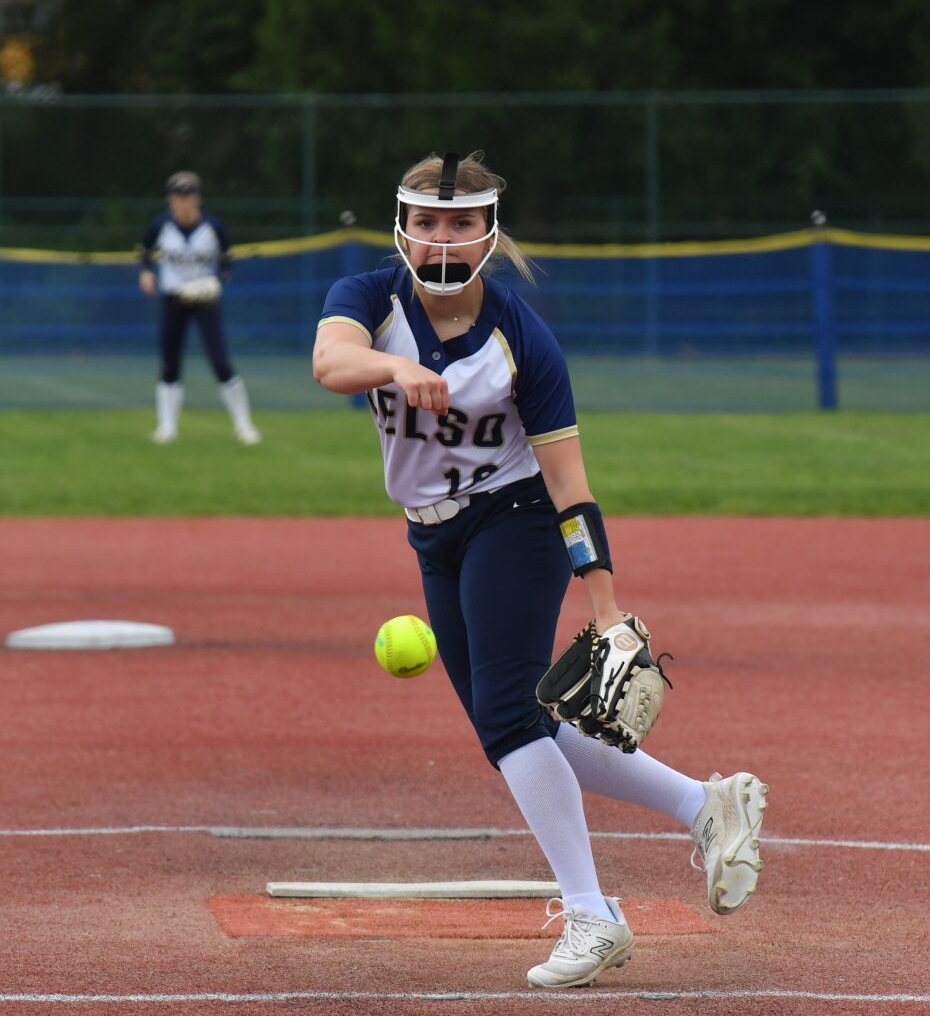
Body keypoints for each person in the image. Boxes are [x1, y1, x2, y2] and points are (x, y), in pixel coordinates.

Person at [311, 152, 768, 990]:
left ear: (489, 231)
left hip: (514, 520)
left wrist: (608, 608)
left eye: (460, 223)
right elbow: (330, 363)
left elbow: (570, 488)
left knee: (505, 717)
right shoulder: (370, 299)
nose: (442, 239)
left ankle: (593, 914)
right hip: (432, 535)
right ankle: (705, 806)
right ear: (402, 228)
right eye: (427, 222)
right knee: (515, 723)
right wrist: (396, 367)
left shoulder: (523, 337)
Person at [137, 170, 259, 445]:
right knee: (170, 363)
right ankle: (167, 428)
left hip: (206, 301)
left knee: (220, 362)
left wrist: (216, 280)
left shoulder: (213, 226)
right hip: (173, 299)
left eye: (189, 196)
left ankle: (244, 425)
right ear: (170, 199)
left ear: (198, 198)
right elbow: (144, 252)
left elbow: (227, 260)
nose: (183, 202)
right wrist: (145, 272)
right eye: (178, 197)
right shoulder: (161, 226)